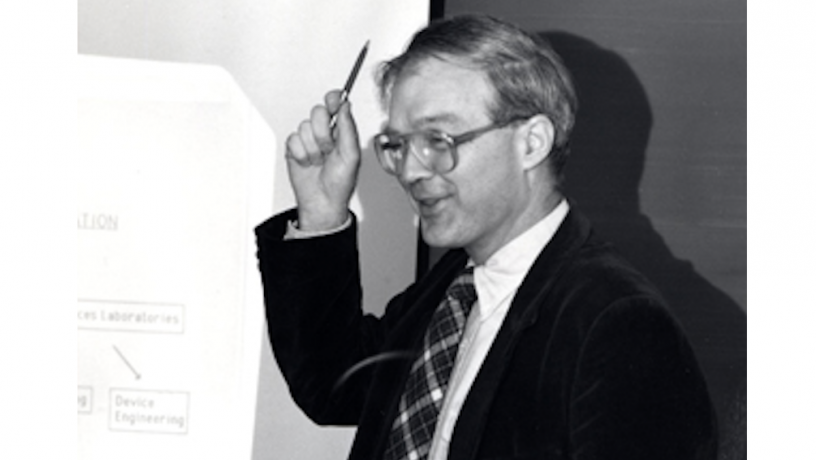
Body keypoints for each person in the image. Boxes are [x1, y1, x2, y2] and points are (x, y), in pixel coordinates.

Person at [255, 14, 717, 460]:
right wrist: (321, 212)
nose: (411, 170)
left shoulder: (618, 322)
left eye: (439, 139)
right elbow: (335, 383)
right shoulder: (456, 285)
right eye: (397, 145)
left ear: (532, 142)